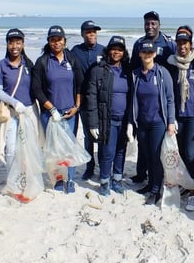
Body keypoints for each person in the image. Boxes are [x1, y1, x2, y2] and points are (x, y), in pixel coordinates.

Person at [31, 25, 83, 193]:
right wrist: (51, 108)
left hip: (70, 114)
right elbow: (36, 89)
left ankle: (71, 180)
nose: (56, 43)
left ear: (64, 41)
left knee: (69, 148)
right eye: (53, 40)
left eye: (59, 39)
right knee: (53, 150)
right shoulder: (43, 62)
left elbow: (80, 84)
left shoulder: (72, 59)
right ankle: (59, 179)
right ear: (49, 42)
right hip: (50, 115)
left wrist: (76, 106)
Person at [130, 10, 176, 184]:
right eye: (147, 23)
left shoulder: (168, 44)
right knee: (143, 146)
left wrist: (171, 116)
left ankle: (158, 180)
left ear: (159, 24)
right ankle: (142, 174)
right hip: (144, 99)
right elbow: (133, 70)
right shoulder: (139, 44)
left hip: (163, 97)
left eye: (153, 23)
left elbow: (176, 66)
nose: (150, 26)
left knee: (158, 147)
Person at [85, 36, 133, 196]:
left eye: (120, 49)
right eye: (114, 49)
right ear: (108, 50)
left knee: (120, 150)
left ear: (124, 52)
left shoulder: (128, 70)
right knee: (107, 152)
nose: (116, 52)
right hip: (107, 120)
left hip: (124, 120)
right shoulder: (98, 70)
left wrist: (131, 122)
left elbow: (133, 96)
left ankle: (117, 180)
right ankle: (104, 182)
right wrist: (93, 124)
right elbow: (91, 97)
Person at [166, 26, 194, 211]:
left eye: (185, 43)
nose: (182, 46)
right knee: (179, 153)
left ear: (191, 45)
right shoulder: (170, 64)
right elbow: (167, 94)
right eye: (179, 43)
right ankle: (182, 183)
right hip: (176, 117)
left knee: (190, 154)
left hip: (193, 117)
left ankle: (192, 192)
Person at [0, 28, 35, 172]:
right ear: (7, 44)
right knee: (10, 147)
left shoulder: (29, 64)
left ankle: (25, 178)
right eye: (11, 43)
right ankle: (12, 179)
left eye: (18, 42)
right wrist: (14, 102)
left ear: (23, 44)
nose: (14, 46)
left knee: (28, 147)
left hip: (28, 112)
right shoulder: (0, 66)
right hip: (10, 113)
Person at [71, 20, 105, 180]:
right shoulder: (75, 51)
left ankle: (103, 166)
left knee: (102, 134)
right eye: (89, 32)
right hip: (83, 98)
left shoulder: (104, 51)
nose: (92, 35)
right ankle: (90, 167)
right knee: (88, 135)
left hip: (101, 100)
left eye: (94, 32)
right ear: (82, 33)